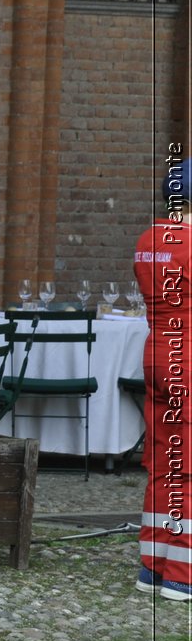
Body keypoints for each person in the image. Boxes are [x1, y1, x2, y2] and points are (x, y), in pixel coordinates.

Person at [133, 157, 192, 601]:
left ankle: (152, 565)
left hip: (156, 353)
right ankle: (181, 574)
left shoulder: (147, 240)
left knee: (161, 460)